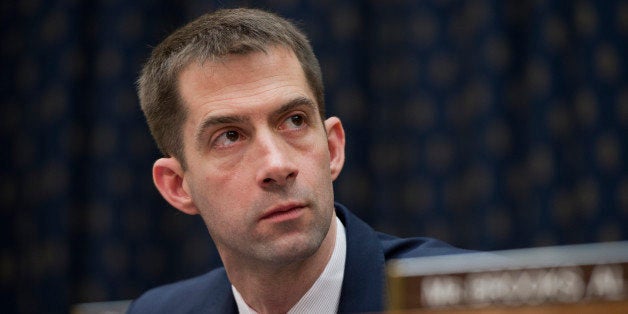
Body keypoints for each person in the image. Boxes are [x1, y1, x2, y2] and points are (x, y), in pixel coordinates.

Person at [129, 8, 469, 314]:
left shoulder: (465, 300)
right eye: (229, 136)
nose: (277, 165)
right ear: (177, 186)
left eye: (294, 121)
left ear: (333, 148)